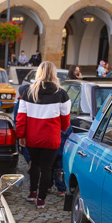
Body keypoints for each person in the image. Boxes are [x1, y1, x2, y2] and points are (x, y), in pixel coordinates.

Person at [15, 61, 70, 210]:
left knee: (35, 164)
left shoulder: (28, 92)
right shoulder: (61, 94)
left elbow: (21, 117)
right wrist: (62, 128)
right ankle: (41, 199)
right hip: (51, 137)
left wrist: (21, 135)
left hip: (33, 136)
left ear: (39, 72)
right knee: (47, 167)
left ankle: (32, 192)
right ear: (54, 73)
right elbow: (65, 120)